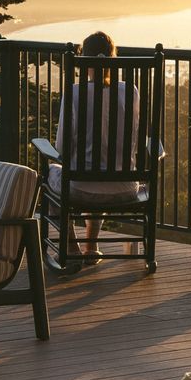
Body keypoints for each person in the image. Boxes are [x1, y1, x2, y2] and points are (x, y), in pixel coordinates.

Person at [48, 31, 140, 252]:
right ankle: (91, 246)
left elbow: (61, 149)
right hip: (126, 188)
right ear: (113, 59)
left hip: (81, 189)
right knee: (101, 176)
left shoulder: (75, 93)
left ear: (82, 61)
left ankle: (71, 246)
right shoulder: (131, 91)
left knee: (51, 171)